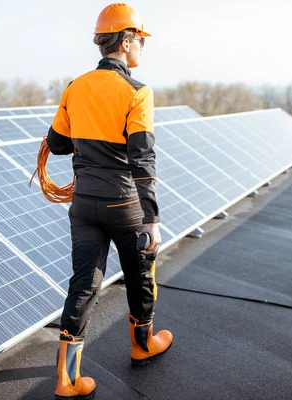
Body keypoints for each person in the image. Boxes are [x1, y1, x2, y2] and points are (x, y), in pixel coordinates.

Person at [46, 4, 173, 399]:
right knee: (141, 276)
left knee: (83, 286)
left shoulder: (75, 86)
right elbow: (142, 156)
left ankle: (67, 380)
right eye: (140, 41)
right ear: (127, 39)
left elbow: (57, 144)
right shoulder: (137, 92)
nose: (142, 50)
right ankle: (142, 344)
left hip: (83, 204)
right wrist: (151, 219)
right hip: (124, 204)